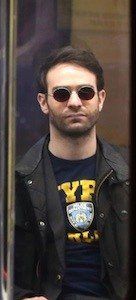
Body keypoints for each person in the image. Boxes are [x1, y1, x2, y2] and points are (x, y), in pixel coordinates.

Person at [14, 46, 129, 300]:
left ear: (101, 98)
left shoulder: (125, 174)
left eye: (85, 92)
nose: (75, 102)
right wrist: (21, 296)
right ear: (44, 102)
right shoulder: (18, 181)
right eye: (62, 94)